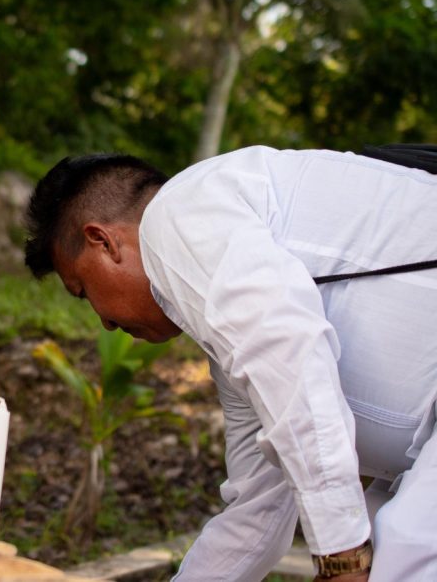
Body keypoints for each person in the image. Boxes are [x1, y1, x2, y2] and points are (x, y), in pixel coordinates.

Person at [23, 146, 437, 581]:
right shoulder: (231, 335)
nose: (104, 322)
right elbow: (258, 511)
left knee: (401, 556)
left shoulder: (180, 218)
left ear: (104, 241)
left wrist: (342, 558)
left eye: (84, 291)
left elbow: (291, 354)